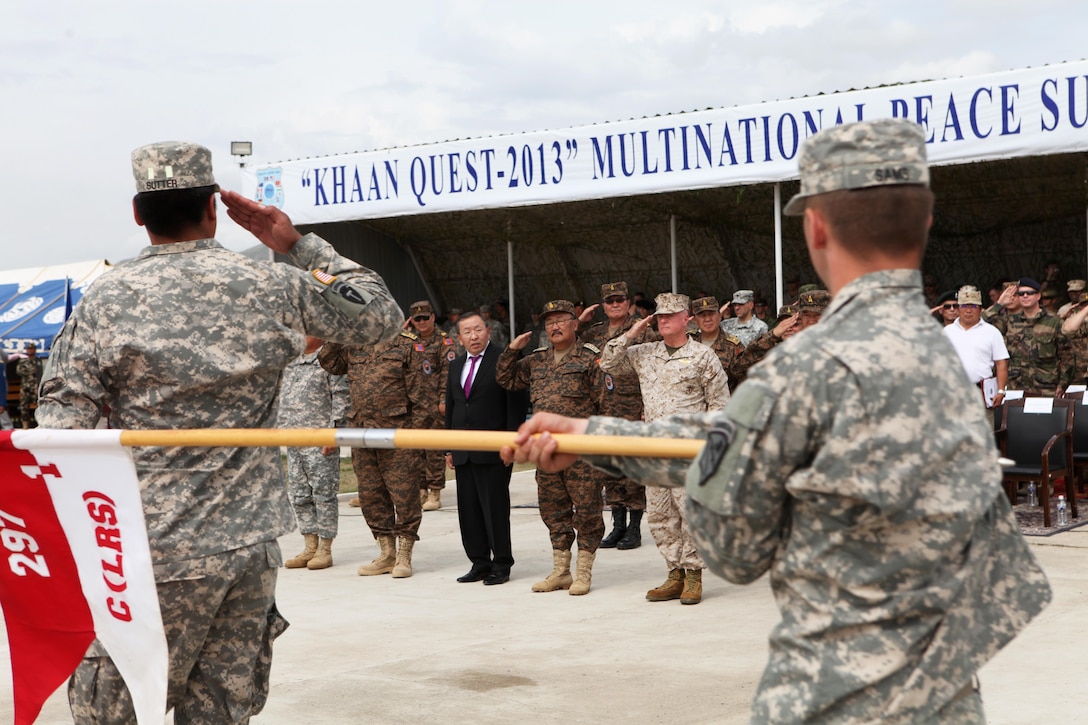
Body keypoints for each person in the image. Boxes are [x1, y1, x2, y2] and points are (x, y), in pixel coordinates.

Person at [503, 119, 1051, 722]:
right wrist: (596, 436)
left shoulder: (815, 365)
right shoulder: (940, 357)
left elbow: (732, 543)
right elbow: (1005, 589)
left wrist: (596, 440)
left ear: (815, 227)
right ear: (922, 222)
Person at [36, 140, 402, 722]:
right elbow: (382, 317)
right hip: (246, 546)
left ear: (137, 213)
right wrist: (294, 243)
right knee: (220, 715)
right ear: (213, 207)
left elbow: (60, 428)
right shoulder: (272, 285)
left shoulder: (107, 298)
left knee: (114, 708)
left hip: (146, 548)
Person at [599, 292, 729, 605]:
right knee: (660, 514)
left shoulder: (702, 356)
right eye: (659, 316)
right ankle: (674, 572)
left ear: (688, 319)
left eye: (671, 315)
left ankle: (694, 573)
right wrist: (631, 333)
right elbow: (608, 362)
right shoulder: (645, 353)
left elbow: (720, 404)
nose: (664, 320)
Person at [496, 300, 607, 595]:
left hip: (582, 452)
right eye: (549, 322)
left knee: (587, 511)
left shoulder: (590, 358)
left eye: (561, 320)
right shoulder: (537, 360)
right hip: (547, 451)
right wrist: (511, 350)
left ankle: (583, 572)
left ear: (575, 324)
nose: (555, 327)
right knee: (553, 509)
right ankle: (561, 571)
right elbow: (506, 378)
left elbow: (605, 404)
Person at [319, 325, 430, 579]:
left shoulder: (407, 345)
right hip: (362, 432)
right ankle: (386, 552)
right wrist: (341, 331)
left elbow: (422, 397)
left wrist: (417, 437)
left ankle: (404, 554)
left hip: (398, 434)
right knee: (371, 494)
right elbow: (328, 362)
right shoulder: (353, 342)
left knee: (404, 495)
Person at [445, 310, 528, 585]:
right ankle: (479, 562)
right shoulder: (456, 365)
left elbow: (514, 406)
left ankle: (501, 564)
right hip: (463, 450)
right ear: (459, 337)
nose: (473, 336)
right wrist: (448, 447)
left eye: (478, 330)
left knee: (494, 508)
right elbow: (453, 407)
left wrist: (512, 444)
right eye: (467, 331)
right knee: (468, 510)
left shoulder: (503, 360)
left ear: (488, 331)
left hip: (494, 450)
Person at [580, 282, 653, 550]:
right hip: (603, 409)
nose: (615, 305)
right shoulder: (595, 333)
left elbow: (651, 370)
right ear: (603, 304)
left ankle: (634, 528)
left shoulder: (642, 331)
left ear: (628, 302)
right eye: (610, 301)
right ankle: (617, 526)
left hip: (632, 409)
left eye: (620, 300)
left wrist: (648, 408)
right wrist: (578, 321)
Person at [278, 336, 351, 571]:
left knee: (323, 494)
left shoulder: (328, 360)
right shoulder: (292, 361)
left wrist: (334, 431)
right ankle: (309, 545)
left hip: (320, 439)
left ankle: (325, 548)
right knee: (299, 495)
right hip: (294, 438)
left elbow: (341, 396)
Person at [408, 300, 458, 511]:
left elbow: (449, 373)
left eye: (425, 318)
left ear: (432, 317)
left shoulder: (444, 342)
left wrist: (444, 399)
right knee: (415, 449)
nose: (421, 322)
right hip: (413, 404)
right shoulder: (407, 341)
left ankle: (435, 491)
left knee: (435, 449)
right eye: (416, 319)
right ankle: (421, 490)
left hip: (435, 405)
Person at [984, 277, 1070, 396]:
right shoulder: (1008, 321)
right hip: (1015, 388)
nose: (1025, 296)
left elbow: (1067, 356)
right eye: (1021, 293)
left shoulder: (1054, 321)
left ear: (1038, 296)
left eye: (1029, 293)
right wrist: (999, 304)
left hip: (1045, 388)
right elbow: (979, 325)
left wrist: (1062, 384)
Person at [943, 286, 1010, 408]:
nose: (968, 310)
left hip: (982, 392)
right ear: (958, 309)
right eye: (964, 306)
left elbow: (1001, 363)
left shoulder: (992, 332)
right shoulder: (947, 332)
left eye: (973, 306)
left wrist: (1001, 391)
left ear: (980, 310)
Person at [689, 295, 746, 393]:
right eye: (702, 315)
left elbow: (743, 381)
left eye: (711, 314)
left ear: (719, 316)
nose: (707, 319)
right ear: (695, 320)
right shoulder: (687, 342)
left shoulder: (733, 346)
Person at [15, 342, 42, 428]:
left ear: (35, 350)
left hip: (36, 387)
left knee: (39, 406)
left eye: (32, 349)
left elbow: (41, 371)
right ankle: (25, 426)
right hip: (25, 387)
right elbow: (19, 371)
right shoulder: (23, 361)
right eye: (28, 349)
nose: (30, 350)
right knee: (24, 408)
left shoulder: (38, 361)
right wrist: (31, 371)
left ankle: (40, 424)